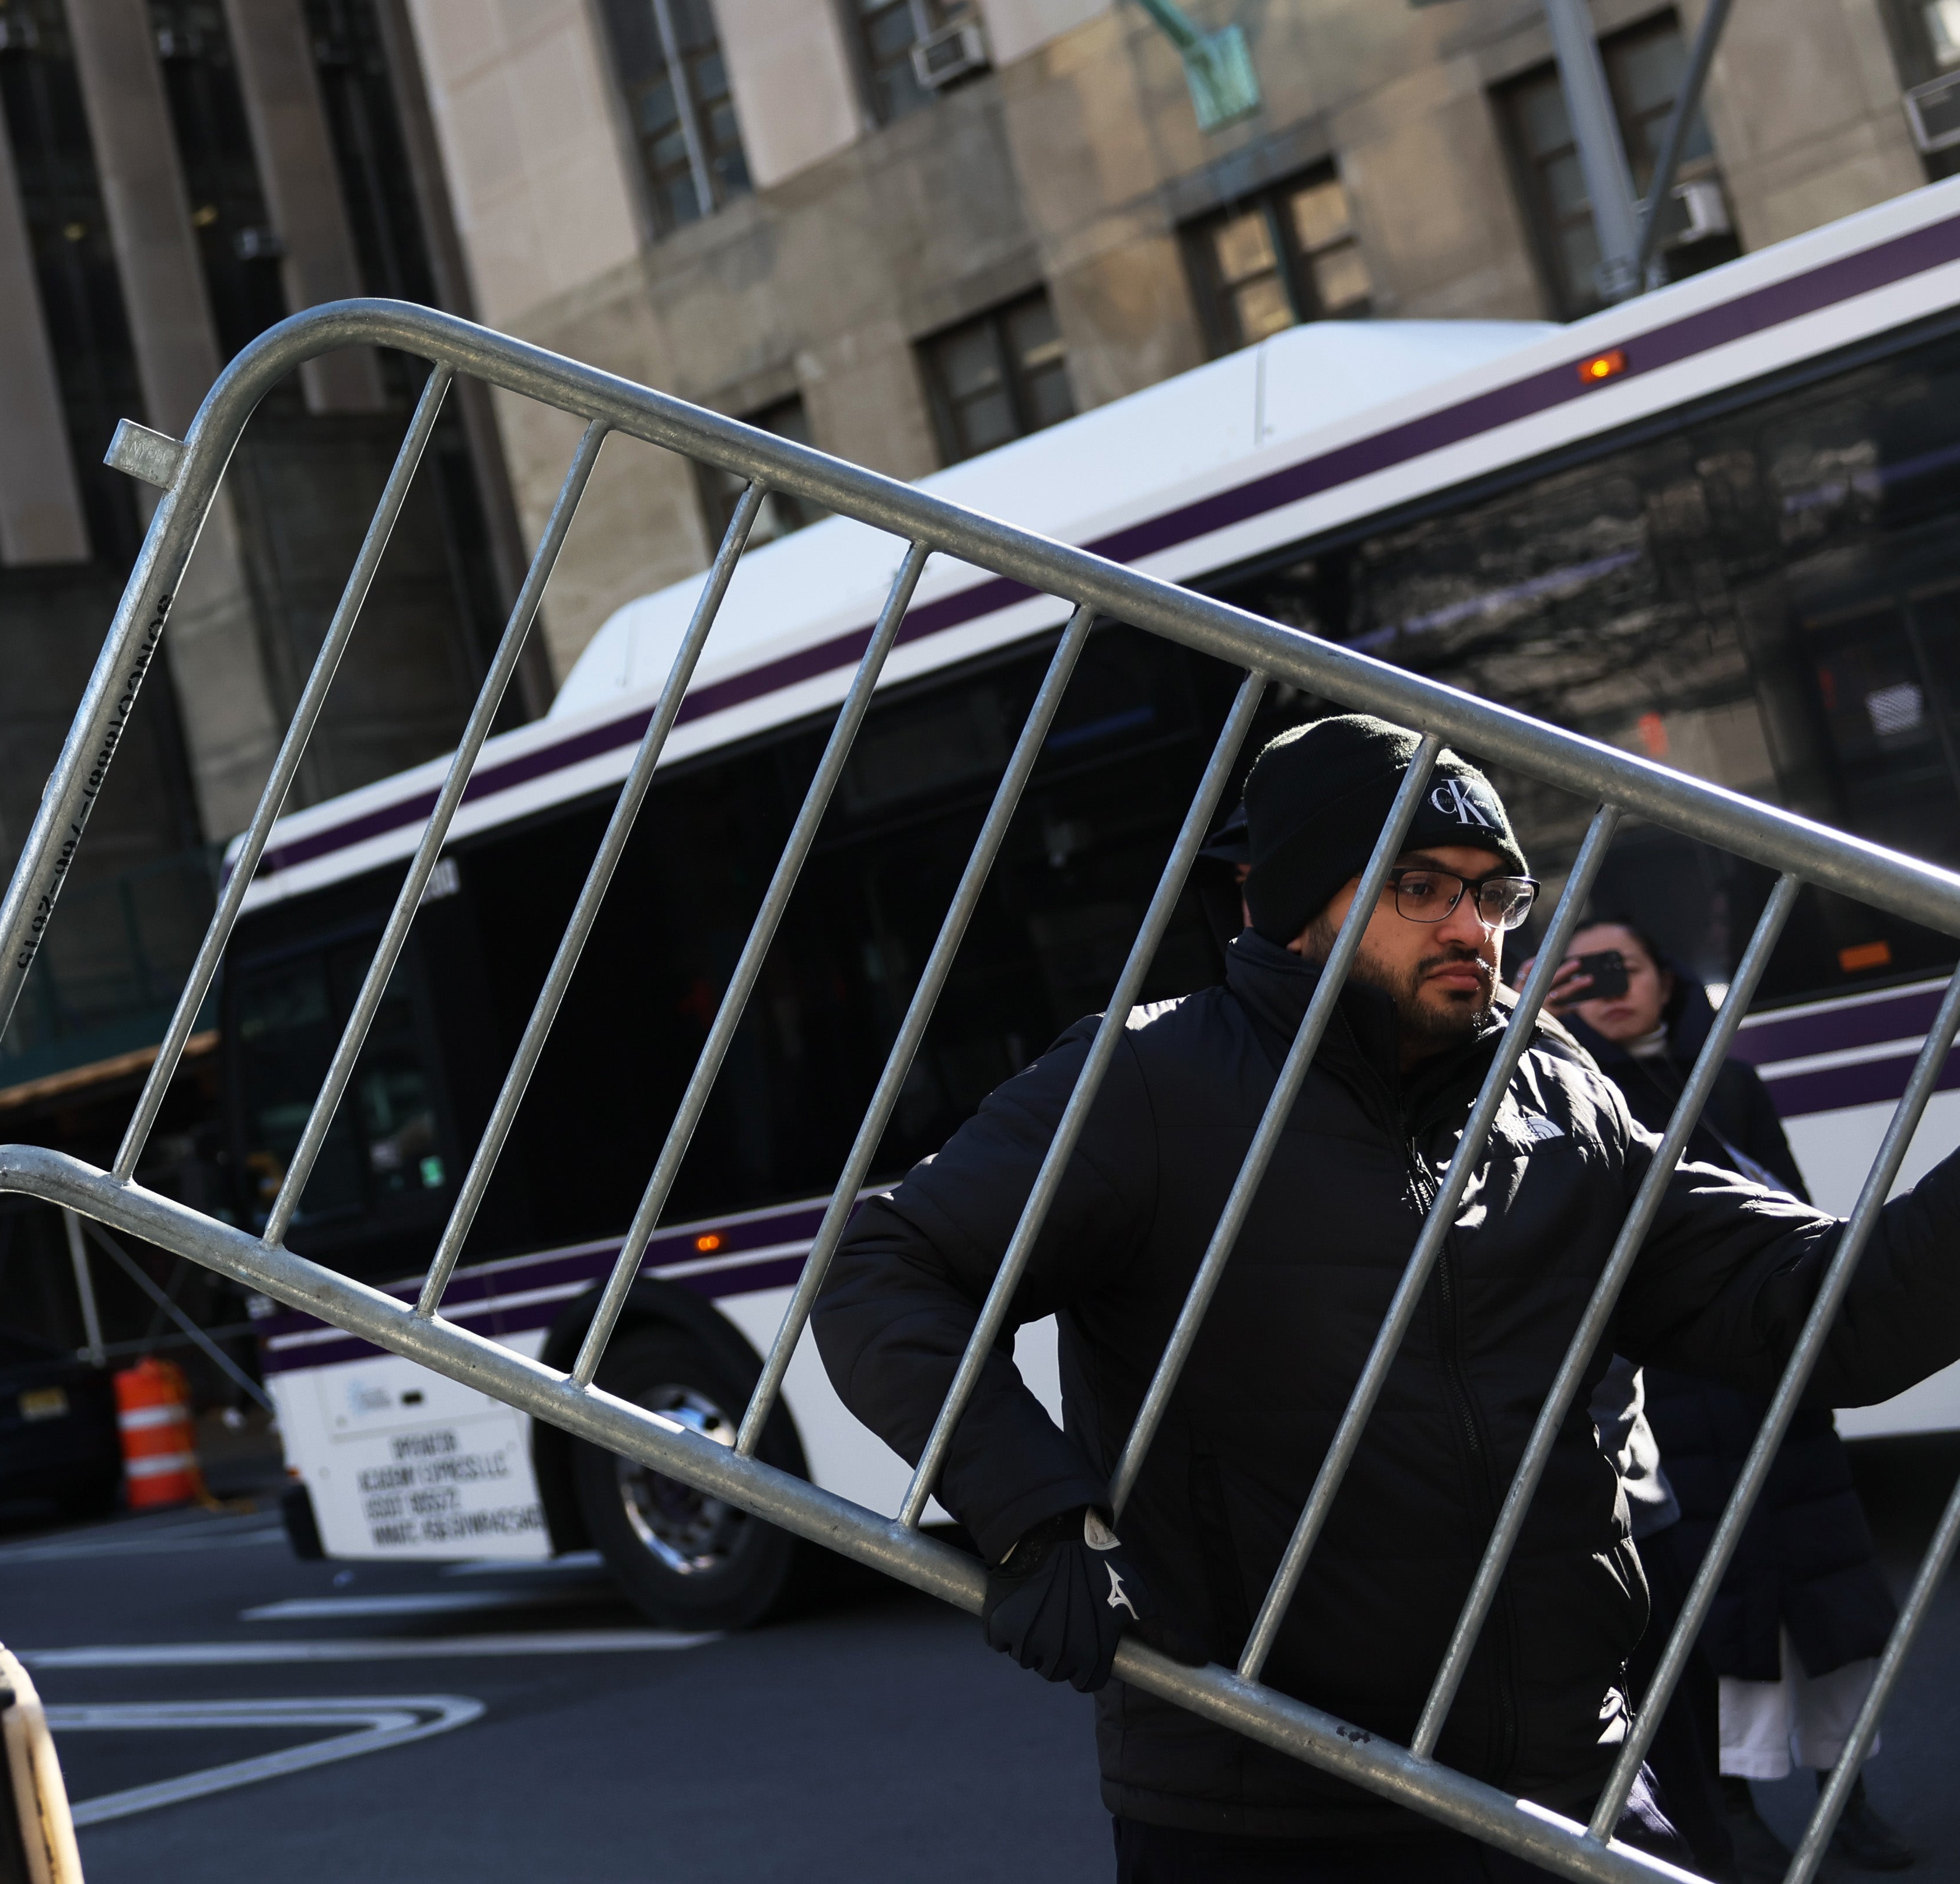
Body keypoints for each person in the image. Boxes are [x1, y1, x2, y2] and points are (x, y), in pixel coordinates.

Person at [817, 714, 1960, 1878]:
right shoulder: (1147, 1080)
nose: (1473, 926)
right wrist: (1028, 1506)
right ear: (1300, 903)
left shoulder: (1556, 1090)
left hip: (1570, 1788)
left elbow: (1826, 1310)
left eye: (1496, 893)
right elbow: (882, 1265)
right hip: (1267, 1804)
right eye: (1420, 885)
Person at [1539, 919, 1918, 1878]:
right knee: (1711, 1618)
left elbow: (1793, 1217)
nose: (1610, 985)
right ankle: (1739, 1814)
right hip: (1667, 1395)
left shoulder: (1732, 1083)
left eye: (1626, 961)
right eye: (1582, 968)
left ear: (1668, 974)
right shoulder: (1567, 1095)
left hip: (1774, 1385)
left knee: (1828, 1602)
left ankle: (1851, 1801)